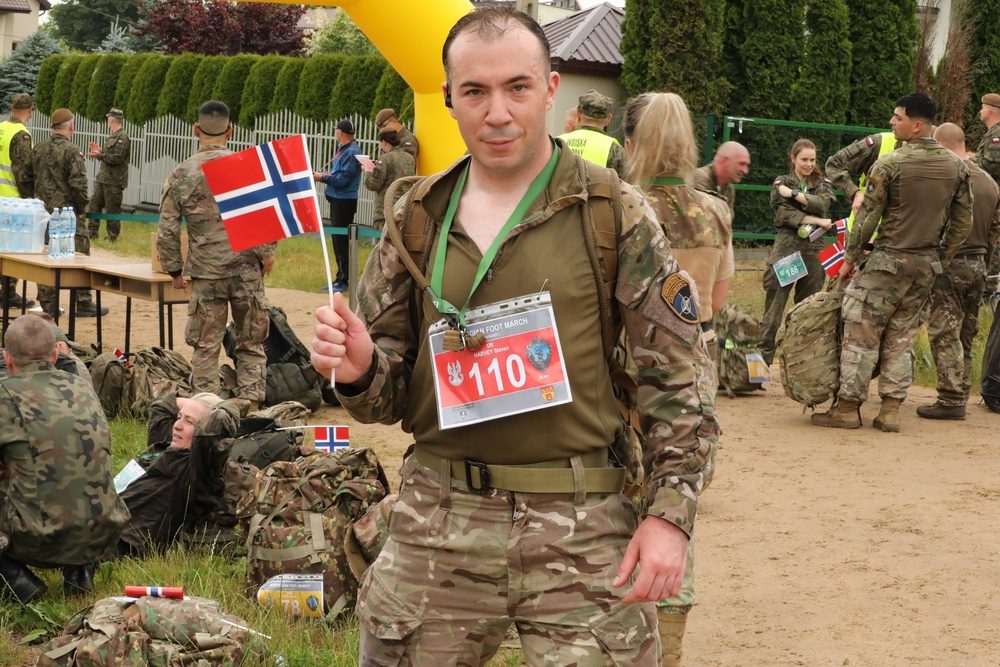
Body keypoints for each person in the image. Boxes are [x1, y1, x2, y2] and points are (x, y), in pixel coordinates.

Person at [310, 6, 718, 664]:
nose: (497, 112)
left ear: (550, 90)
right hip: (437, 519)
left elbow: (679, 380)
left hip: (581, 523)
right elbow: (384, 399)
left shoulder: (613, 212)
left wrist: (669, 518)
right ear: (449, 99)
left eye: (517, 87)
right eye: (475, 91)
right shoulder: (417, 216)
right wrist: (358, 367)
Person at [622, 90, 727, 666]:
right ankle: (669, 648)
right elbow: (713, 299)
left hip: (626, 369)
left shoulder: (619, 205)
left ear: (631, 142)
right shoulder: (715, 211)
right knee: (675, 501)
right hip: (693, 368)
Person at [812, 93, 972, 433]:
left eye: (897, 117)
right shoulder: (957, 167)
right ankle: (890, 411)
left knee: (861, 330)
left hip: (886, 261)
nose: (891, 122)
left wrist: (849, 260)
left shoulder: (890, 164)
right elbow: (963, 223)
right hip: (924, 266)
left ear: (916, 126)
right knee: (902, 335)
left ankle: (847, 408)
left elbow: (868, 217)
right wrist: (940, 258)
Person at [0, 314, 128, 602]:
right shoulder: (82, 387)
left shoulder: (4, 394)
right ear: (56, 354)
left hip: (39, 540)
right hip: (103, 532)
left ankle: (16, 580)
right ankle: (79, 572)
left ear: (7, 359)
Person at [157, 100, 274, 410]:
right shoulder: (247, 167)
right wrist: (267, 255)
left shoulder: (181, 174)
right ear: (230, 130)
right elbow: (264, 216)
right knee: (251, 343)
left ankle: (207, 414)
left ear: (196, 130)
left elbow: (167, 229)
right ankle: (250, 410)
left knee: (206, 346)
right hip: (246, 271)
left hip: (205, 275)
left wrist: (174, 271)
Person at [917, 123, 1000, 420]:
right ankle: (962, 389)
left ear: (942, 144)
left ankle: (951, 399)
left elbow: (935, 220)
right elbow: (995, 231)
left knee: (944, 330)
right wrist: (986, 264)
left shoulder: (950, 176)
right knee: (966, 330)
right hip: (978, 264)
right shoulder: (990, 182)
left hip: (951, 262)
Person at [117, 392, 241, 556]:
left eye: (189, 421)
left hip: (118, 542)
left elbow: (217, 421)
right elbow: (160, 408)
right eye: (179, 417)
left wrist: (218, 407)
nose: (177, 425)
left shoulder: (199, 469)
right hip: (99, 517)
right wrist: (194, 404)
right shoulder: (167, 445)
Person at [18, 108, 107, 318]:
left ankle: (49, 304)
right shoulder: (72, 151)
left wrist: (33, 201)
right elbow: (79, 184)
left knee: (45, 256)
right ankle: (83, 301)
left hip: (42, 215)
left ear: (52, 127)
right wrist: (81, 209)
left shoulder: (38, 148)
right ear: (71, 127)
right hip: (67, 215)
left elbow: (24, 178)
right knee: (81, 251)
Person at [759, 139, 835, 365]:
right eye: (804, 159)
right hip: (788, 248)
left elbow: (823, 204)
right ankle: (760, 364)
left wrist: (794, 195)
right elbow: (783, 215)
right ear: (793, 159)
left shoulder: (821, 182)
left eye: (812, 160)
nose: (809, 164)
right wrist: (817, 220)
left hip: (812, 250)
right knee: (775, 306)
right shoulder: (781, 181)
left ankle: (799, 363)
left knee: (808, 310)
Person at [313, 118, 362, 293]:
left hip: (344, 201)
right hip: (336, 199)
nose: (335, 133)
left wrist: (321, 178)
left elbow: (343, 180)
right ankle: (340, 277)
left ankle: (345, 280)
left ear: (341, 133)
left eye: (336, 131)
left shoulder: (352, 152)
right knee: (337, 240)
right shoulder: (343, 149)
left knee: (341, 241)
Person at [0, 92, 36, 309]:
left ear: (12, 109)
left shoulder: (2, 127)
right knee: (13, 250)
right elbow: (22, 172)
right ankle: (9, 292)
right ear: (30, 112)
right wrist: (29, 199)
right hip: (12, 200)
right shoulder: (21, 134)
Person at [557, 88, 628, 178]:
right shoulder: (614, 148)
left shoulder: (557, 143)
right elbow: (625, 188)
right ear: (608, 119)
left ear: (578, 114)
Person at [86, 107, 131, 242]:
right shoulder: (112, 136)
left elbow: (117, 158)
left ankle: (112, 237)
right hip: (103, 178)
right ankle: (92, 233)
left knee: (112, 209)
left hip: (114, 181)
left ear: (111, 120)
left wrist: (99, 155)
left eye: (108, 119)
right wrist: (99, 151)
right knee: (94, 205)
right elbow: (108, 155)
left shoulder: (122, 137)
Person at [362, 129, 416, 230]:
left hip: (385, 210)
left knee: (382, 243)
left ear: (384, 142)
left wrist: (367, 171)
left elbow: (373, 184)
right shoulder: (409, 158)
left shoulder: (386, 159)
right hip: (403, 207)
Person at [692, 141, 750, 214]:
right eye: (742, 164)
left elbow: (726, 223)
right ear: (725, 161)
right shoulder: (699, 179)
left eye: (747, 165)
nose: (745, 171)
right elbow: (702, 219)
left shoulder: (729, 189)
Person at [971, 93, 1000, 183]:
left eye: (982, 108)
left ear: (989, 110)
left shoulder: (997, 133)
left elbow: (992, 166)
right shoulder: (993, 132)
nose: (980, 111)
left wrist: (970, 161)